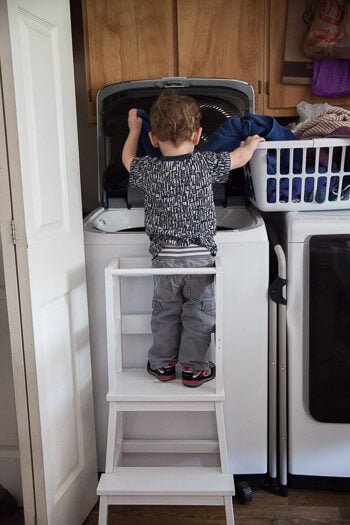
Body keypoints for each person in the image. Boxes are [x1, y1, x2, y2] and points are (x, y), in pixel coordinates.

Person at [122, 90, 264, 387]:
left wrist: (134, 129)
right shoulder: (205, 164)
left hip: (164, 261)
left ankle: (162, 365)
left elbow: (127, 160)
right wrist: (251, 144)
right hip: (201, 259)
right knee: (198, 314)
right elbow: (238, 158)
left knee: (165, 314)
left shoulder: (148, 169)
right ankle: (193, 369)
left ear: (153, 139)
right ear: (198, 135)